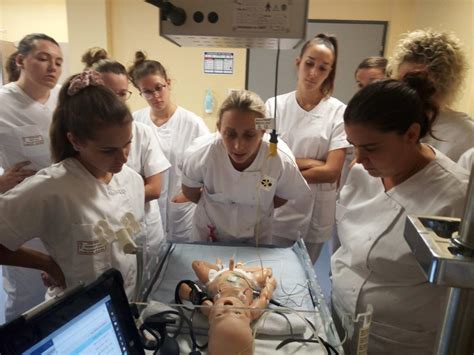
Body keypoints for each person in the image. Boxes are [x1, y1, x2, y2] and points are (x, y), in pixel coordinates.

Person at [331, 73, 469, 353]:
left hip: (400, 340)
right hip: (340, 315)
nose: (358, 159)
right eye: (354, 145)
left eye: (370, 148)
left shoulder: (456, 196)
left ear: (411, 134)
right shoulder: (362, 173)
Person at [0, 69, 145, 301]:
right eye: (108, 150)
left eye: (127, 143)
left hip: (124, 302)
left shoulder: (131, 180)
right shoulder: (52, 188)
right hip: (76, 311)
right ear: (75, 140)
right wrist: (46, 262)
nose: (124, 157)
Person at [82, 47, 170, 273]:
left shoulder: (142, 133)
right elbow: (80, 197)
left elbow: (155, 188)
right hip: (102, 239)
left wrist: (108, 194)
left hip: (144, 232)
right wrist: (136, 185)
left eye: (122, 93)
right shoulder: (81, 141)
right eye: (110, 92)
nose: (117, 100)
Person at [181, 90, 309, 244]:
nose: (238, 146)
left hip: (256, 238)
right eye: (230, 134)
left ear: (262, 132)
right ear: (219, 128)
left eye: (249, 135)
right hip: (209, 234)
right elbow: (189, 191)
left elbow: (282, 197)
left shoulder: (278, 159)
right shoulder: (202, 154)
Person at [265, 34, 350, 262]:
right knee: (270, 272)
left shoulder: (339, 112)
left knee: (304, 277)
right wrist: (314, 163)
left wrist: (287, 168)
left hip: (316, 215)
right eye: (309, 63)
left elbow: (332, 172)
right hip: (278, 211)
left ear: (330, 72)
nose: (313, 73)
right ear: (298, 62)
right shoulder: (273, 106)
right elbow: (266, 159)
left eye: (323, 68)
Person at [0, 33, 62, 322]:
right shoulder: (3, 103)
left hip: (62, 213)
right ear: (21, 60)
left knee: (62, 292)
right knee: (26, 297)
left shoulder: (63, 99)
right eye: (43, 58)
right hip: (21, 218)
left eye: (59, 62)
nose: (53, 67)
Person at [128, 51, 209, 242]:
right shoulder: (135, 122)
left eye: (159, 87)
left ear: (168, 83)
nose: (155, 96)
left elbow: (212, 166)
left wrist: (188, 195)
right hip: (146, 211)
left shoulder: (192, 123)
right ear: (140, 92)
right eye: (147, 91)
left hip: (182, 209)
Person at [390, 28, 473, 161]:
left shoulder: (464, 135)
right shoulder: (387, 121)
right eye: (404, 82)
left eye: (420, 84)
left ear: (443, 85)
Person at [179, 257, 276, 355]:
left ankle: (218, 266)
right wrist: (270, 285)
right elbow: (265, 296)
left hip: (217, 277)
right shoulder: (252, 311)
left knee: (197, 265)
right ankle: (241, 267)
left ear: (211, 319)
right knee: (268, 272)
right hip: (247, 277)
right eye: (237, 312)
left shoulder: (208, 308)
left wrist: (193, 295)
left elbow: (182, 288)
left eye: (219, 315)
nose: (228, 306)